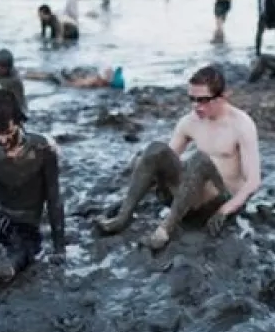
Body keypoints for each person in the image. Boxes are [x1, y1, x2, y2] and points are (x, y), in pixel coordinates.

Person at [95, 65, 261, 251]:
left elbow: (253, 181)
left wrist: (226, 210)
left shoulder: (241, 124)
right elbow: (164, 163)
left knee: (200, 159)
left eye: (203, 100)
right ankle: (121, 219)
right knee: (155, 149)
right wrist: (129, 197)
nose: (196, 106)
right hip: (188, 198)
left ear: (222, 96)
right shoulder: (190, 121)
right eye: (192, 99)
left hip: (218, 202)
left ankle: (164, 231)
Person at [0, 89, 65, 283]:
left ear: (20, 121)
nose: (2, 141)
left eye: (8, 133)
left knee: (3, 273)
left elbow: (55, 199)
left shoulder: (43, 148)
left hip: (24, 227)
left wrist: (59, 248)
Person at [21, 65, 124, 90]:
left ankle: (24, 75)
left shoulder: (95, 81)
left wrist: (64, 79)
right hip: (66, 81)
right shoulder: (95, 81)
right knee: (47, 75)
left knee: (47, 75)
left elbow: (74, 84)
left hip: (65, 82)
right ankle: (24, 75)